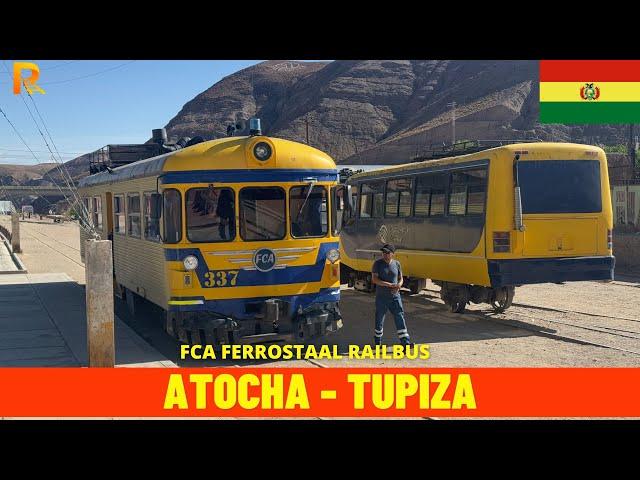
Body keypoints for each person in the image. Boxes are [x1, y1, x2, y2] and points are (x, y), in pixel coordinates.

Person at [371, 243, 413, 347]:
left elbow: (401, 278)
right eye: (383, 252)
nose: (385, 254)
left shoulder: (397, 264)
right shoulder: (377, 264)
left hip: (395, 297)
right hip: (382, 297)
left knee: (400, 317)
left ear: (393, 254)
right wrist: (389, 285)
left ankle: (405, 343)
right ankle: (378, 342)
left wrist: (399, 285)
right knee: (379, 319)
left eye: (387, 252)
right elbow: (374, 279)